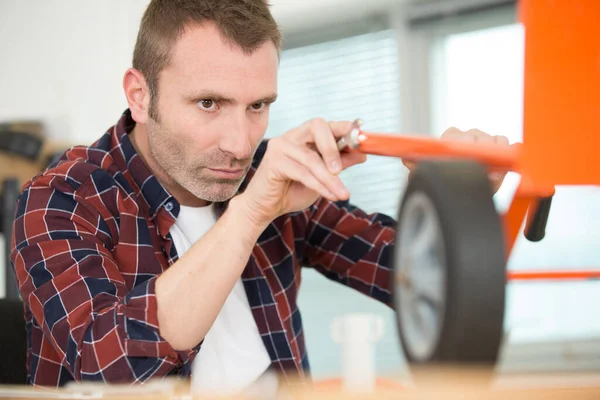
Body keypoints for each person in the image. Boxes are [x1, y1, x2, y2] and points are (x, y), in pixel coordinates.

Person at [10, 0, 509, 390]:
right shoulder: (59, 199)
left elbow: (421, 277)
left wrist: (465, 205)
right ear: (140, 95)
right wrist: (251, 213)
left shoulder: (264, 177)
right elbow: (110, 365)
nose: (240, 143)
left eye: (258, 106)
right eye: (209, 103)